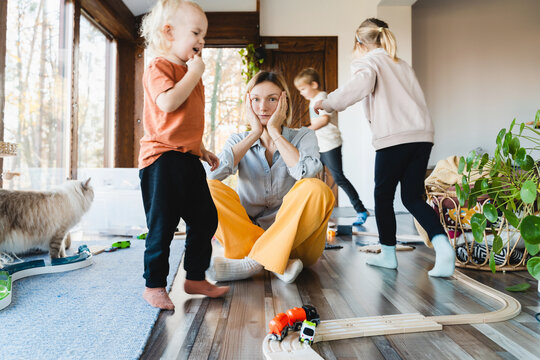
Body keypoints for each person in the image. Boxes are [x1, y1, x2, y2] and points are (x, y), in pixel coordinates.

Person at [314, 18, 455, 277]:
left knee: (382, 196)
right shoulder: (401, 64)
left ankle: (388, 255)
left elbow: (358, 87)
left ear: (360, 43)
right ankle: (443, 247)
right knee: (412, 197)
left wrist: (327, 102)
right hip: (422, 136)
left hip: (394, 138)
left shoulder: (369, 62)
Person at [138, 0, 229, 310]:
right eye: (195, 33)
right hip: (162, 160)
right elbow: (167, 104)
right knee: (162, 226)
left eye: (203, 35)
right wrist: (193, 74)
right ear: (169, 32)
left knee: (205, 218)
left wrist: (201, 149)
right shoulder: (160, 66)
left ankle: (194, 276)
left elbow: (182, 122)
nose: (201, 41)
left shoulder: (191, 72)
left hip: (187, 158)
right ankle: (154, 285)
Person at [204, 71, 335, 284]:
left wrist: (275, 132)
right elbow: (212, 174)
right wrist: (254, 134)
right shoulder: (238, 140)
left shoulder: (304, 136)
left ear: (284, 103)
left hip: (297, 242)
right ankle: (279, 262)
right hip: (245, 239)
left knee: (317, 188)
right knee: (207, 188)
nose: (263, 108)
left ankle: (254, 262)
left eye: (272, 99)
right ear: (247, 103)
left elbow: (306, 173)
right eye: (255, 99)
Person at [294, 68, 369, 226]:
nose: (301, 93)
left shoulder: (321, 97)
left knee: (338, 178)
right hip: (319, 145)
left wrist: (302, 131)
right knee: (309, 176)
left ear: (313, 85)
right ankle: (311, 212)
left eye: (303, 89)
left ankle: (361, 209)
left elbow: (323, 120)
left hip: (330, 144)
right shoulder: (313, 100)